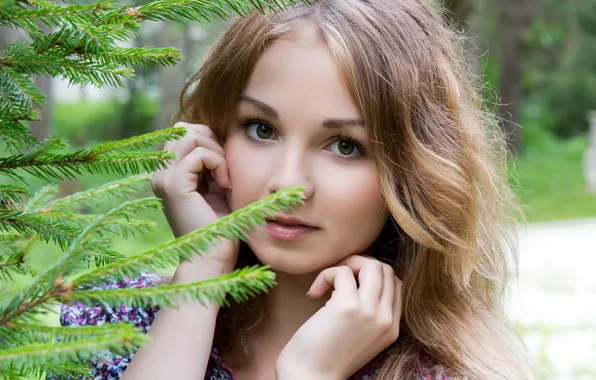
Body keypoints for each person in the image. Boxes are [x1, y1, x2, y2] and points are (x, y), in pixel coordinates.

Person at [48, 0, 536, 379]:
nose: (286, 183)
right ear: (216, 135)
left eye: (345, 145)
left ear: (413, 172)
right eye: (261, 129)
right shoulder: (111, 319)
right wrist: (201, 270)